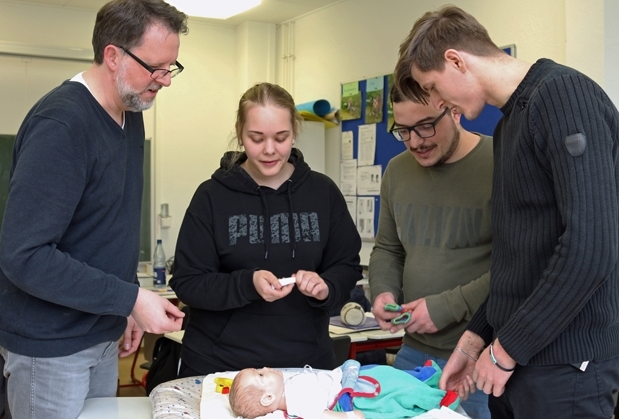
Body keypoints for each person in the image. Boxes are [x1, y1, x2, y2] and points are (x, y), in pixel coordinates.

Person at [394, 5, 619, 419]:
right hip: (517, 362)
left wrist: (504, 351)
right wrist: (476, 339)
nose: (442, 103)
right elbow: (521, 263)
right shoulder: (509, 124)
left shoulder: (564, 96)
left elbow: (591, 248)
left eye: (435, 87)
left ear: (456, 60)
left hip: (564, 366)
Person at [0, 1, 188, 417]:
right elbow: (24, 256)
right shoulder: (62, 125)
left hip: (99, 334)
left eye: (172, 67)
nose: (165, 80)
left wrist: (124, 306)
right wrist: (129, 298)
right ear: (112, 55)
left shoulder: (131, 112)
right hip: (51, 348)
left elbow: (107, 229)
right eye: (155, 67)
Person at [170, 82, 362, 377]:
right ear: (239, 132)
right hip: (220, 366)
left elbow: (347, 266)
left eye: (280, 138)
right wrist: (248, 284)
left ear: (294, 132)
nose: (269, 150)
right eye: (256, 138)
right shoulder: (211, 196)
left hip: (305, 365)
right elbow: (188, 282)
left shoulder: (322, 193)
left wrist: (326, 287)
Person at [368, 84, 492, 419]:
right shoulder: (397, 170)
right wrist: (382, 292)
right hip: (413, 354)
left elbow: (518, 267)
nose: (415, 141)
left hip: (480, 358)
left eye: (426, 126)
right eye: (403, 130)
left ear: (454, 109)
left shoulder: (501, 164)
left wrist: (443, 307)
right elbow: (388, 249)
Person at [228, 360, 460, 419]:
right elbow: (322, 415)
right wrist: (350, 415)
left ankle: (423, 379)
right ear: (268, 397)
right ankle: (435, 397)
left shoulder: (284, 386)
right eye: (260, 374)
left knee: (388, 374)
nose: (266, 368)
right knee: (392, 385)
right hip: (349, 389)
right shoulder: (295, 399)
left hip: (345, 376)